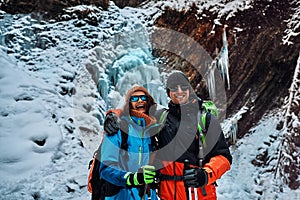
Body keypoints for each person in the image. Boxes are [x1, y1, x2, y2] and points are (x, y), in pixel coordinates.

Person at [104, 71, 232, 200]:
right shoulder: (162, 117)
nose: (179, 91)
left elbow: (223, 157)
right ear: (168, 92)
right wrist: (114, 115)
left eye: (184, 87)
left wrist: (205, 174)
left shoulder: (206, 120)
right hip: (168, 194)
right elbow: (135, 108)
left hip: (199, 193)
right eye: (174, 88)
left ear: (190, 89)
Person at [100, 85, 159, 200]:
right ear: (129, 103)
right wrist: (132, 178)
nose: (140, 100)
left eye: (143, 97)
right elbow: (106, 169)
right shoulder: (118, 129)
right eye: (134, 98)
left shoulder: (150, 133)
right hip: (121, 196)